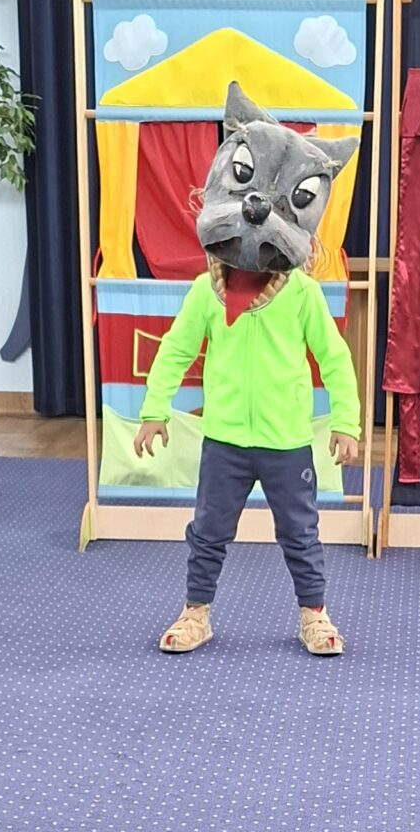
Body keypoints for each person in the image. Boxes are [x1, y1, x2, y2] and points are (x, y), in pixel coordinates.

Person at [134, 86, 362, 657]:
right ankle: (196, 614)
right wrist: (154, 410)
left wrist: (347, 423)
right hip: (226, 441)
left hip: (286, 442)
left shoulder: (303, 294)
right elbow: (176, 350)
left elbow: (335, 358)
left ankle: (314, 616)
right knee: (208, 532)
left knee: (300, 534)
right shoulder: (204, 291)